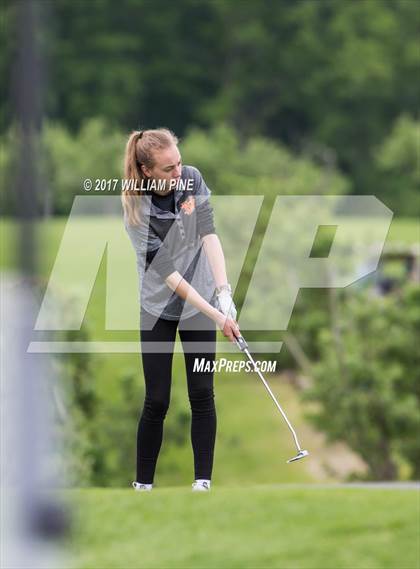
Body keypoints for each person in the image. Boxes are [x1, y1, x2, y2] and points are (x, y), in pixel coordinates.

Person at [121, 128, 240, 492]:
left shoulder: (192, 179)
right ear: (146, 170)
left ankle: (202, 483)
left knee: (202, 393)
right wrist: (217, 316)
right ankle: (143, 487)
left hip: (203, 297)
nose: (178, 173)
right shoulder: (137, 213)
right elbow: (171, 277)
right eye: (168, 168)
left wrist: (224, 292)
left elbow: (209, 235)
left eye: (179, 163)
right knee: (156, 399)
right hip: (158, 307)